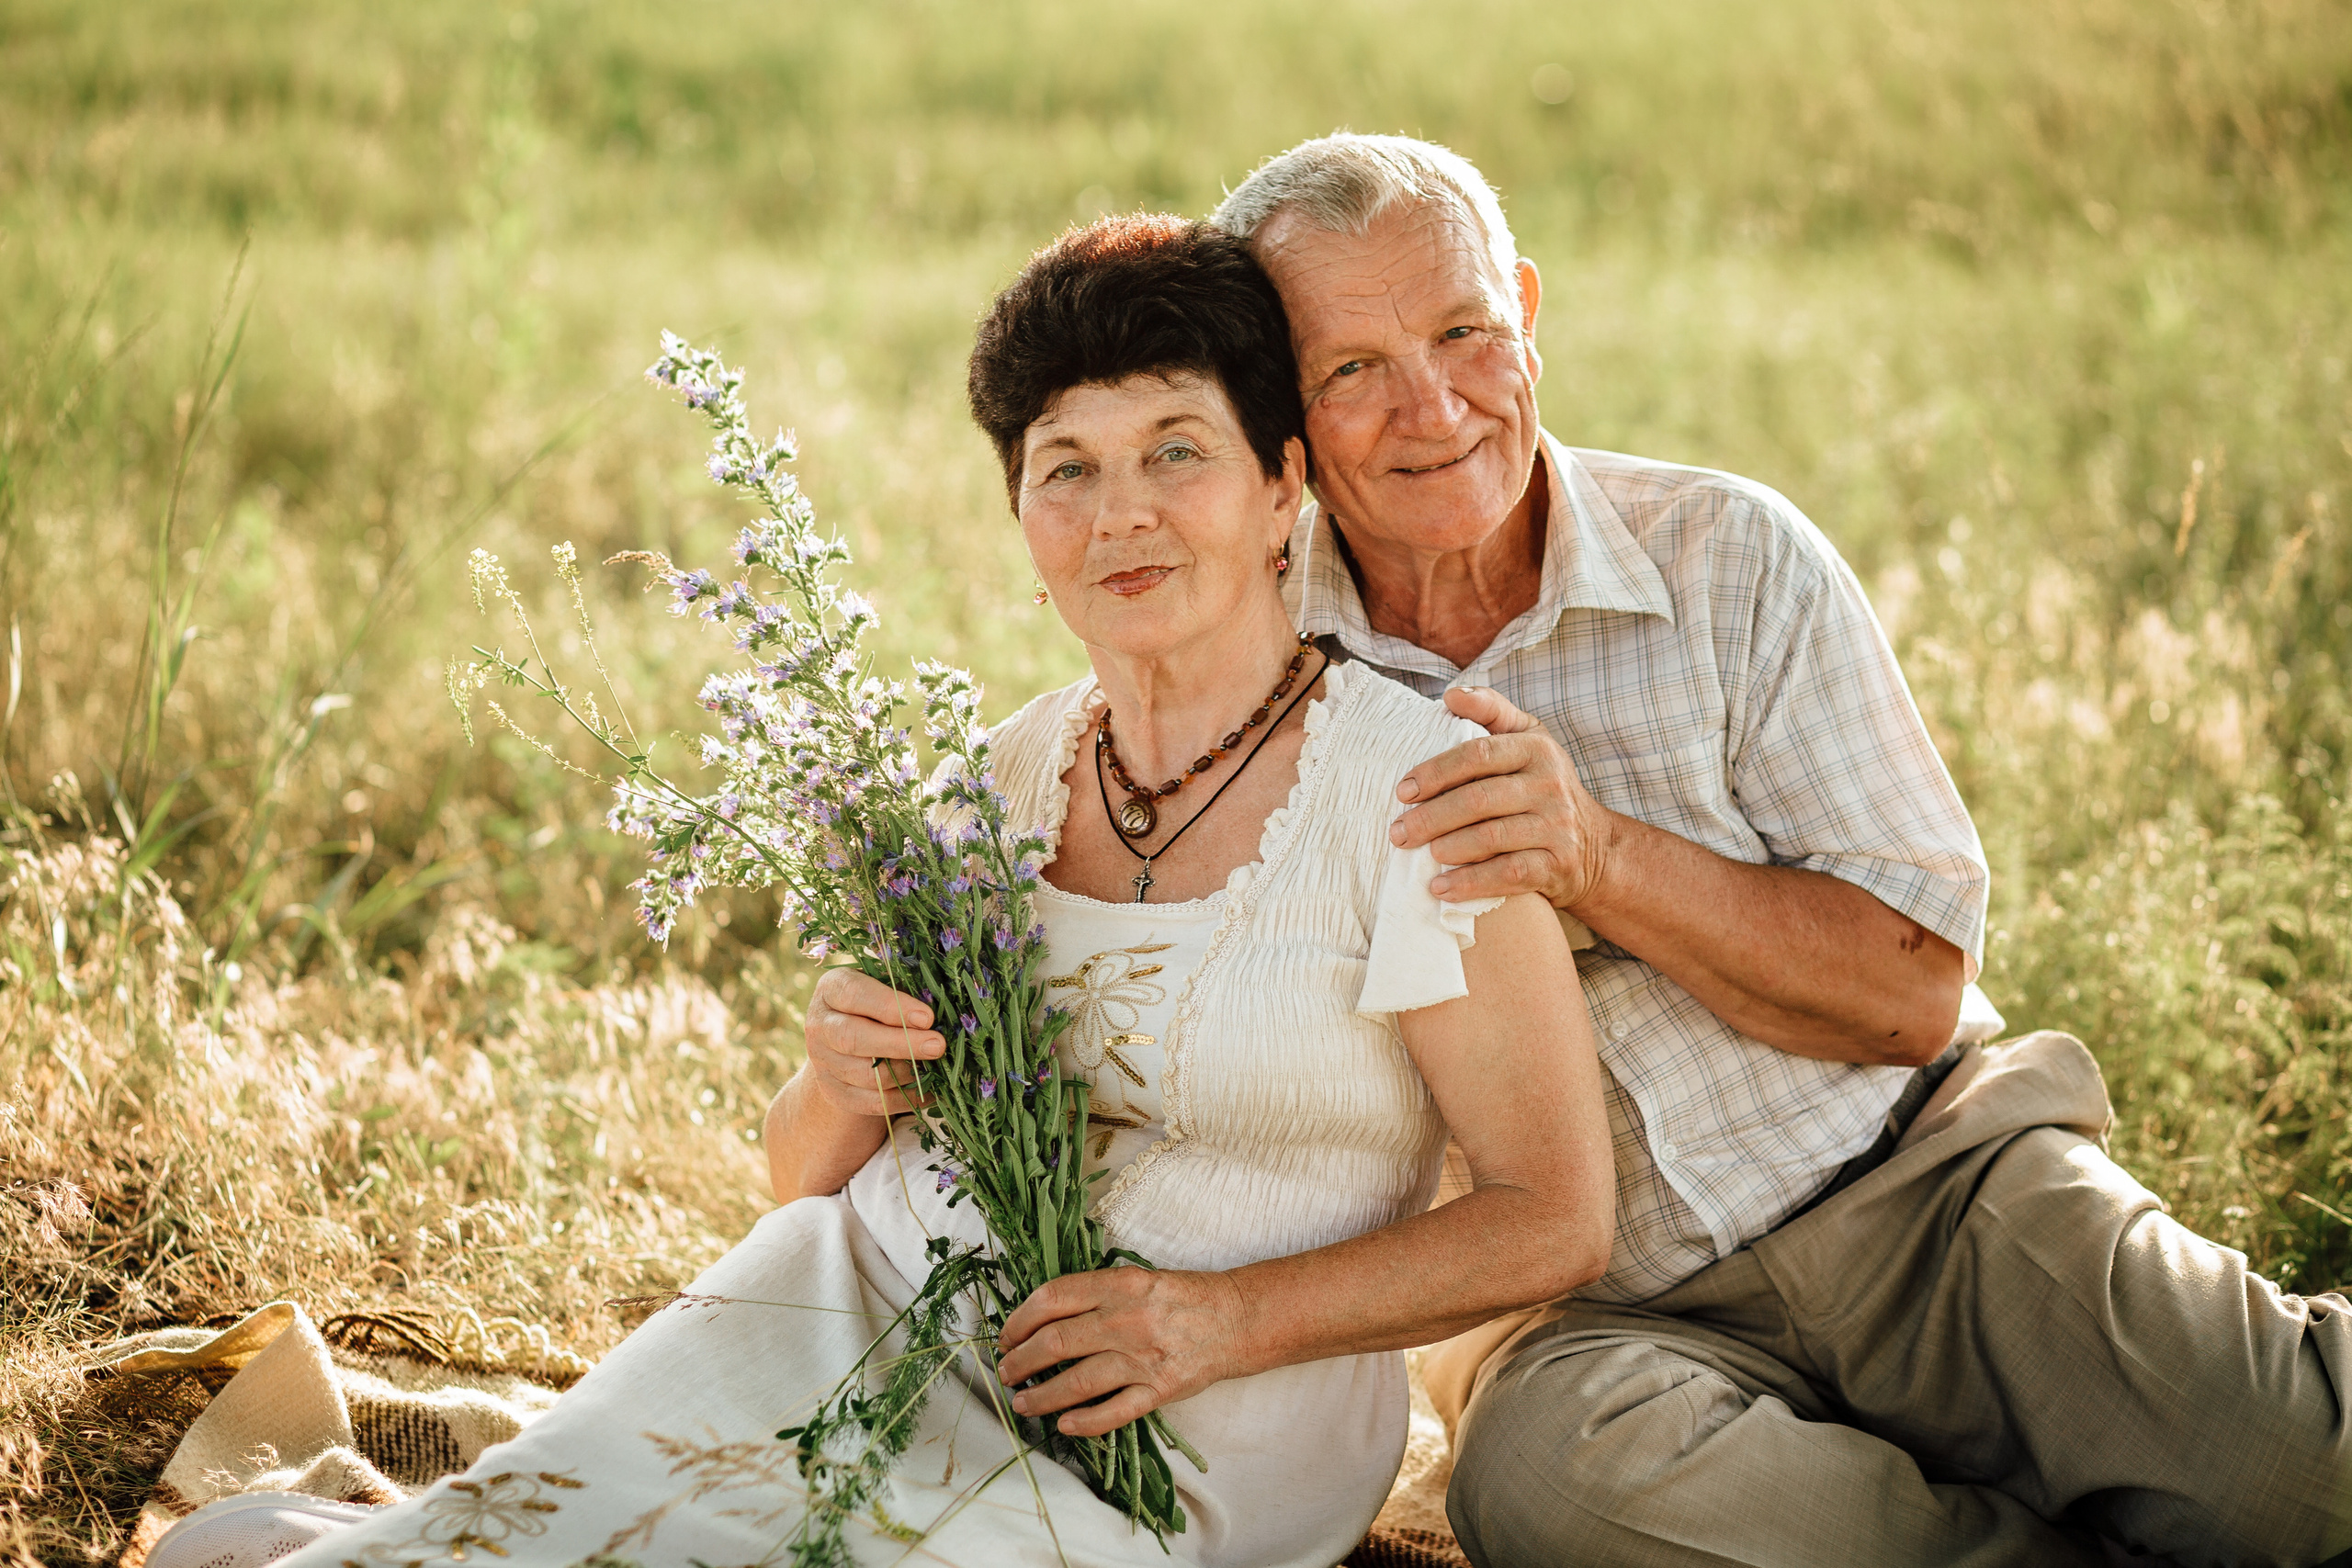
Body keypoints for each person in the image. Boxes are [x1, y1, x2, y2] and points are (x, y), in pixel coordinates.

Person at [816, 134, 2352, 1565]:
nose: (1435, 407)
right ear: (1281, 412)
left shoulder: (1730, 558)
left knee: (2301, 1465)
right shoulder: (1249, 657)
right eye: (1354, 367)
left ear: (1529, 311)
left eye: (1467, 334)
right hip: (1598, 1315)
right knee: (1548, 1486)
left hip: (1930, 1188)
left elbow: (1912, 996)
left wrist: (1600, 857)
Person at [171, 215, 1610, 1568]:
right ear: (1020, 510)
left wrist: (1212, 1322)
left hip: (1206, 1437)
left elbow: (1555, 1215)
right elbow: (806, 1179)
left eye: (1179, 452)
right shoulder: (992, 781)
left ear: (1281, 483)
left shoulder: (1412, 792)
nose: (1124, 516)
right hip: (850, 1326)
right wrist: (841, 1074)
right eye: (1068, 467)